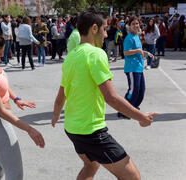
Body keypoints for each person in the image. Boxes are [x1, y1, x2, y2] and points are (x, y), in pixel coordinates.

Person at [52, 9, 156, 180]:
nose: (106, 34)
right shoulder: (96, 54)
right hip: (91, 131)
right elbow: (111, 98)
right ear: (94, 28)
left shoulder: (71, 56)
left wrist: (56, 115)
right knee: (133, 177)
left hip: (72, 128)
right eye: (105, 29)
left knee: (91, 165)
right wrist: (141, 117)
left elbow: (60, 95)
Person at [0, 23, 45, 180]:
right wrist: (29, 129)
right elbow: (1, 111)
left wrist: (16, 99)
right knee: (15, 174)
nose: (2, 56)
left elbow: (1, 84)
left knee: (3, 163)